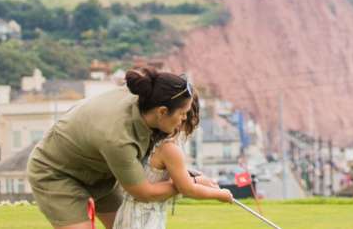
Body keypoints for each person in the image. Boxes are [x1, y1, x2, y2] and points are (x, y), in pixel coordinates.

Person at [28, 67, 232, 229]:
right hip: (57, 173)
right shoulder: (119, 139)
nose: (184, 120)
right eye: (182, 114)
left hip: (101, 171)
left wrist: (185, 176)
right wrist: (190, 183)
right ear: (162, 111)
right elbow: (144, 193)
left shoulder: (146, 102)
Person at [113, 74, 231, 229]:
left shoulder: (152, 139)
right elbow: (187, 189)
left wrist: (195, 176)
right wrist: (221, 195)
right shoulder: (170, 149)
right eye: (183, 116)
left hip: (128, 214)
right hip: (144, 219)